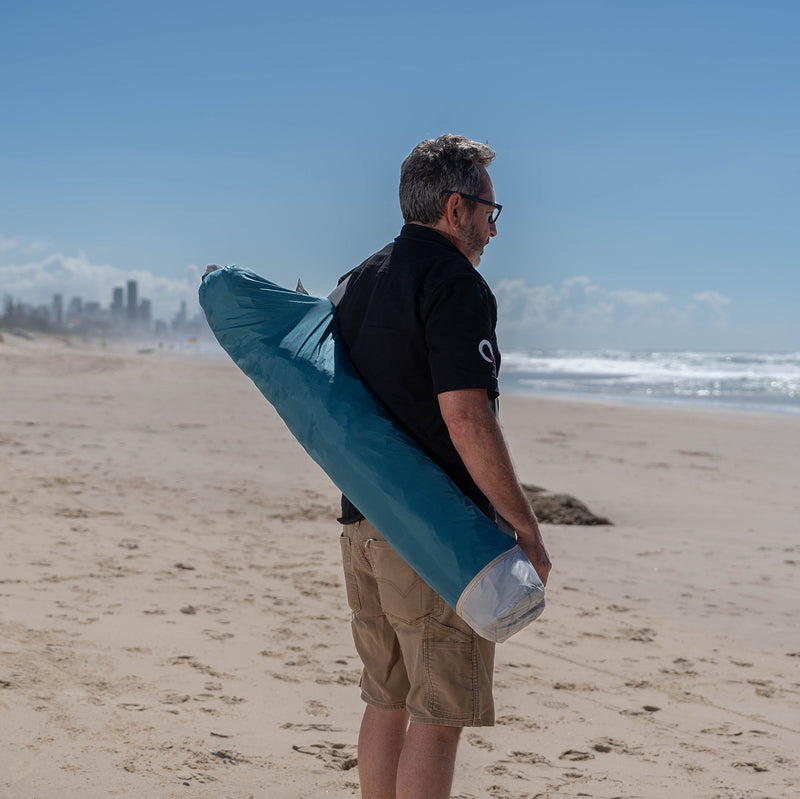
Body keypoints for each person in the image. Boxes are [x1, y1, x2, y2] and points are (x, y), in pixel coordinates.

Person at [334, 134, 551, 799]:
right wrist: (524, 526)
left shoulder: (358, 280)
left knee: (387, 698)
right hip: (433, 536)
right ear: (456, 207)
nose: (493, 224)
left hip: (362, 525)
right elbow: (467, 416)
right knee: (440, 712)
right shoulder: (454, 282)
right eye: (491, 208)